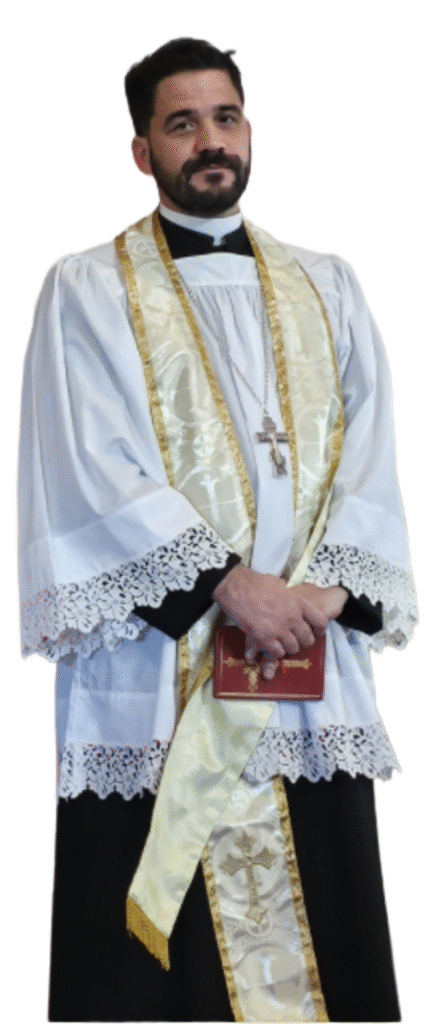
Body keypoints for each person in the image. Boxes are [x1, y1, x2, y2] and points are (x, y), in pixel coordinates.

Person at [18, 37, 417, 1024]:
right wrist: (226, 586)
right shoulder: (88, 289)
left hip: (303, 676)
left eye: (224, 117)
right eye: (181, 122)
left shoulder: (327, 286)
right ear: (141, 149)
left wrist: (324, 589)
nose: (209, 141)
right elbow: (85, 465)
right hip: (162, 680)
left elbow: (372, 452)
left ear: (249, 129)